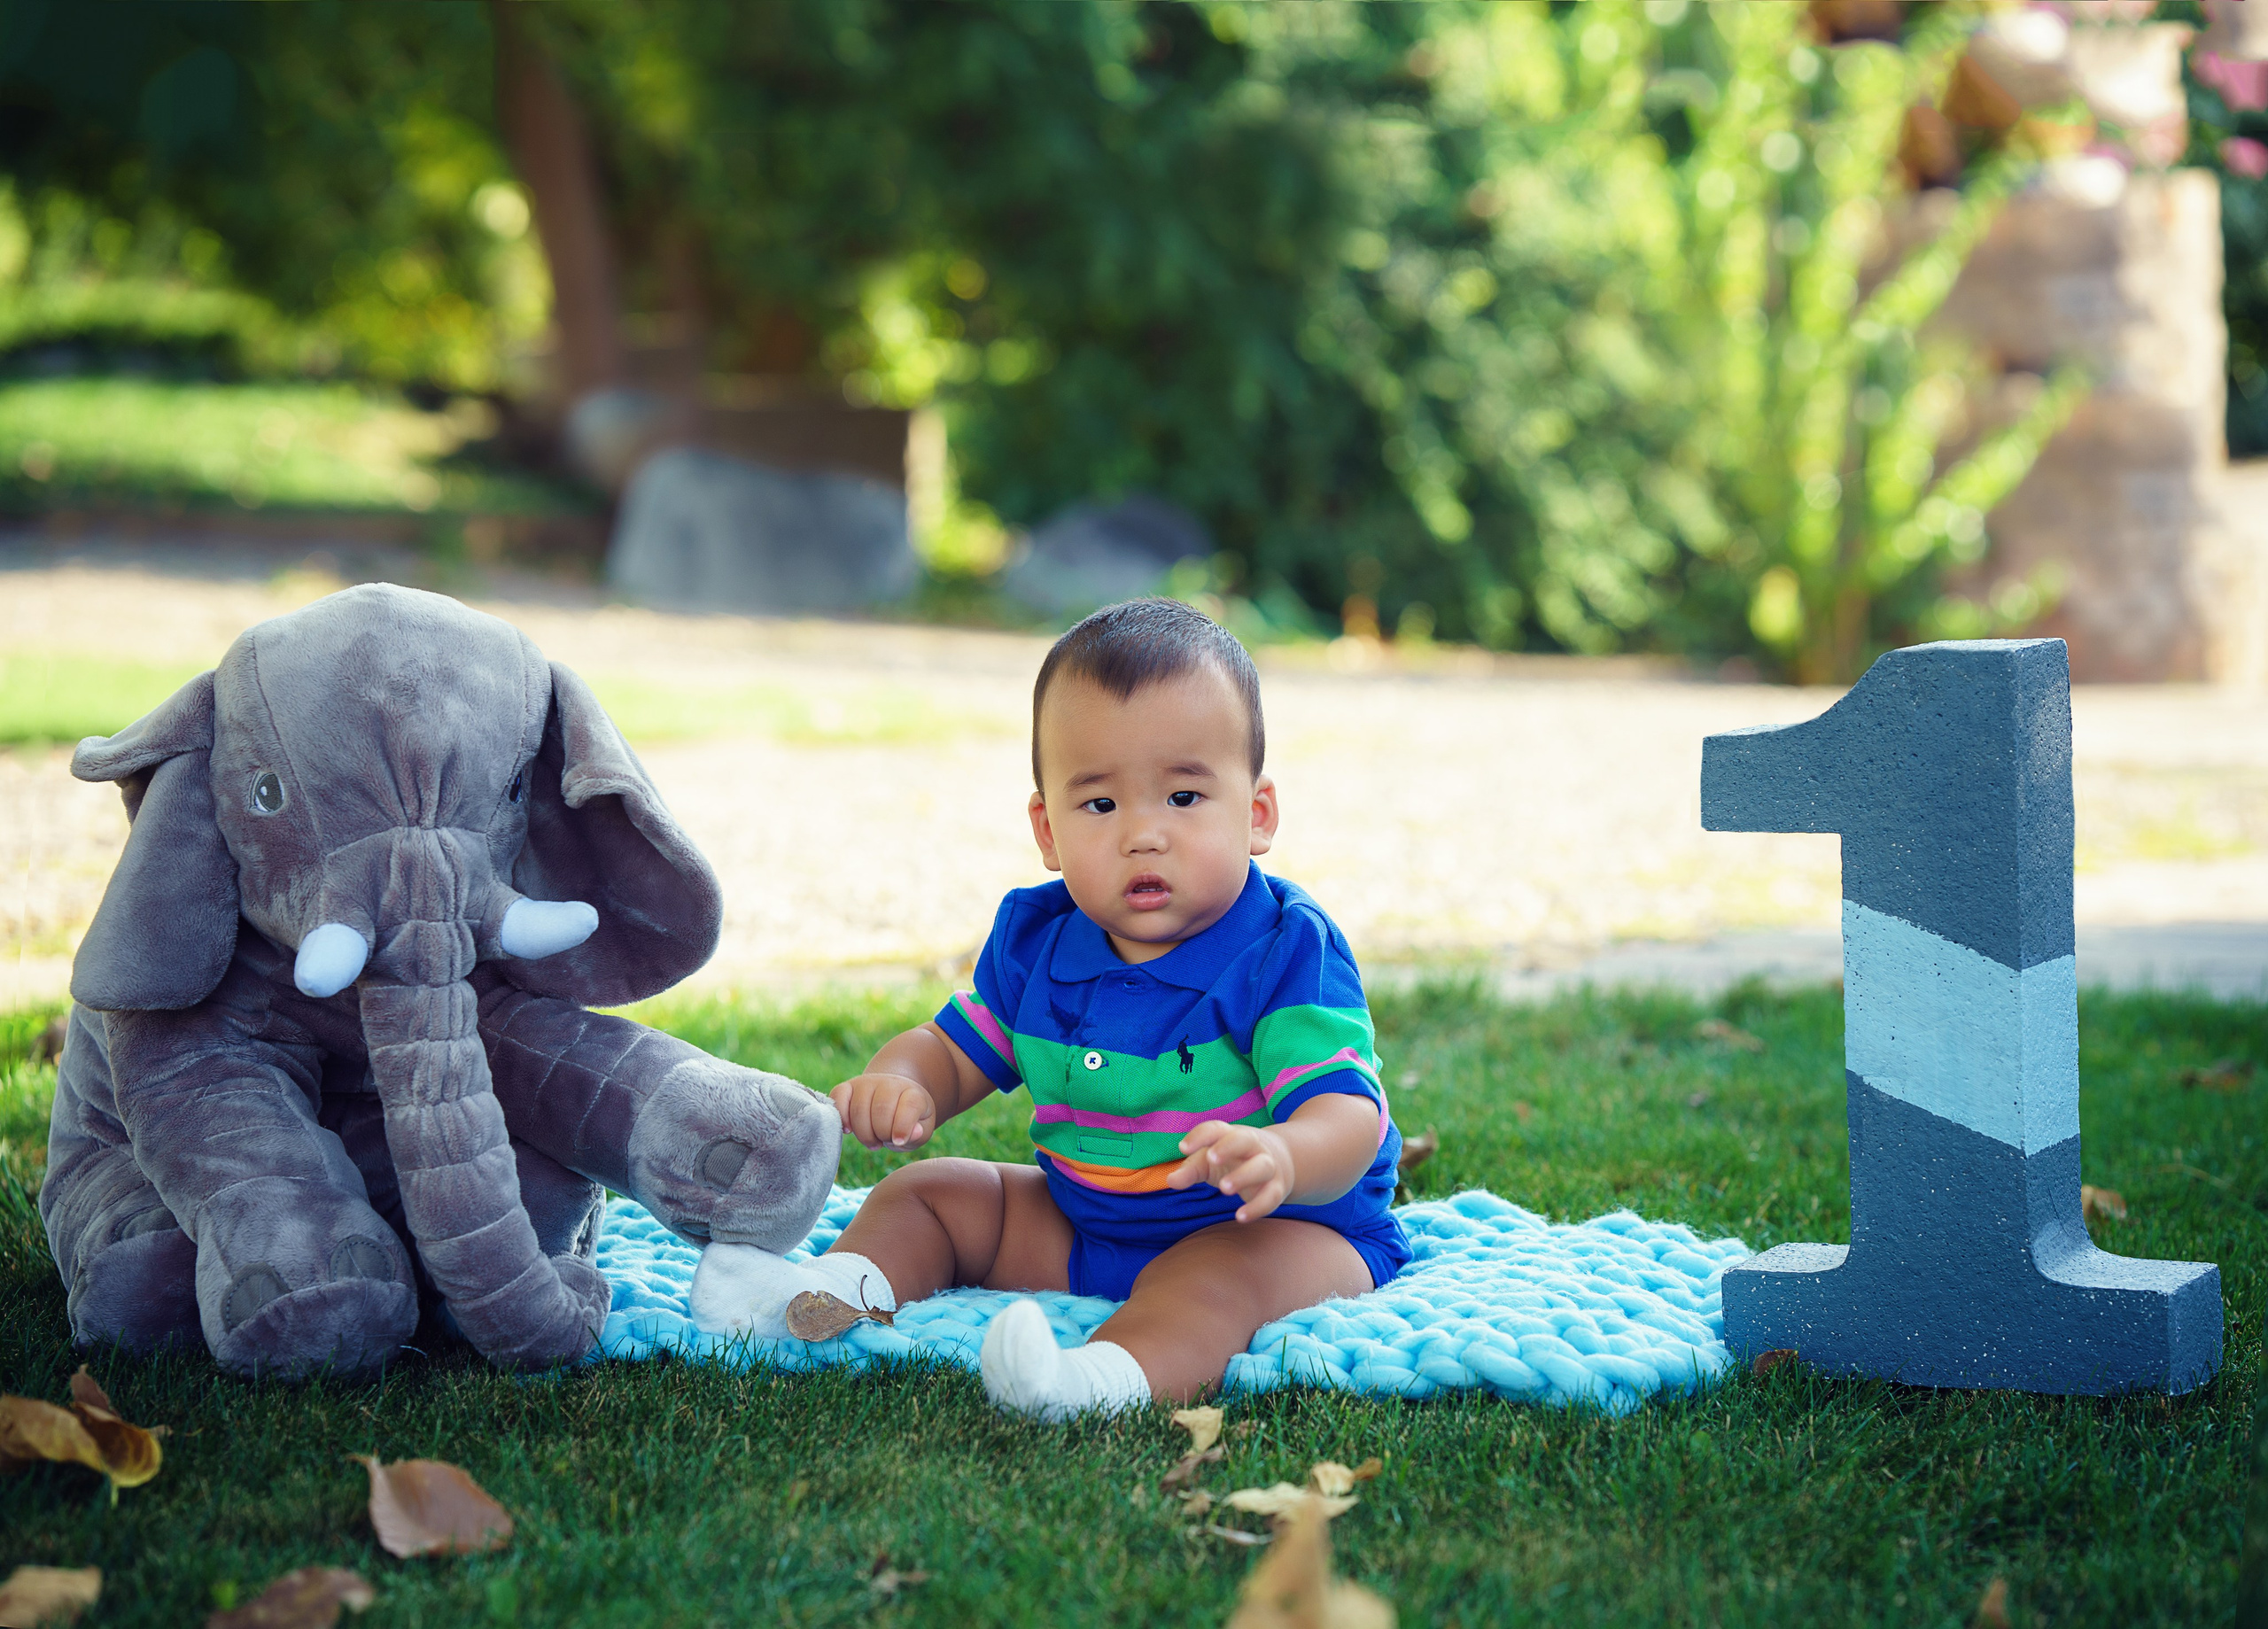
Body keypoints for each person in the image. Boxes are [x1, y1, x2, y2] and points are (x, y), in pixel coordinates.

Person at [690, 597, 1408, 1417]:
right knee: (932, 1194)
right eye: (1100, 804)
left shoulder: (1285, 950)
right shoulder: (1037, 940)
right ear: (1047, 827)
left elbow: (1348, 1115)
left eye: (1183, 797)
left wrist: (1284, 1152)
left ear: (1257, 813)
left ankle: (1096, 1384)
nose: (1143, 833)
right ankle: (818, 1299)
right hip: (1085, 1218)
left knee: (1212, 1279)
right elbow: (956, 1050)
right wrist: (904, 1077)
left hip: (1277, 1228)